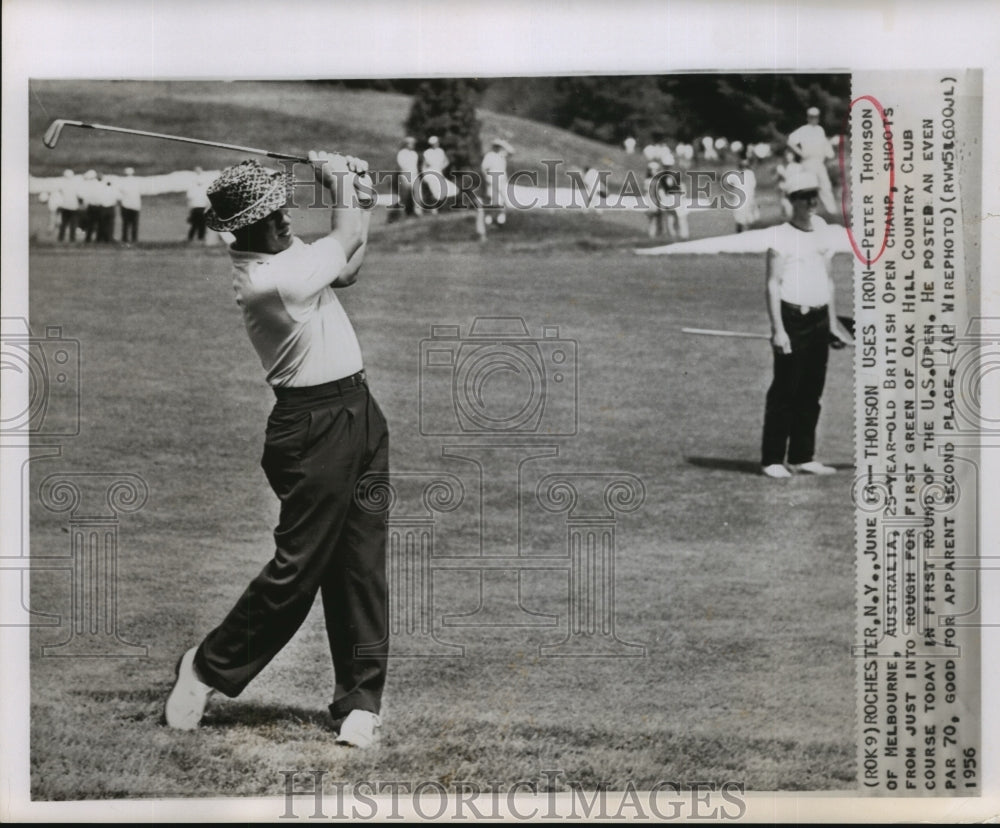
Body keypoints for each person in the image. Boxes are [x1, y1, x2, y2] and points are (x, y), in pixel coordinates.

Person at [164, 152, 390, 750]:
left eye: (283, 208)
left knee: (361, 566)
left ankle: (360, 701)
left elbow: (348, 266)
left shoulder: (279, 255)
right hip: (312, 427)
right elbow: (343, 238)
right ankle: (206, 667)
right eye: (271, 214)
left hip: (359, 414)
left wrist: (355, 191)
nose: (285, 219)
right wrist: (338, 180)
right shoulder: (271, 279)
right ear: (244, 227)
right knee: (298, 574)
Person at [761, 171, 853, 479]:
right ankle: (773, 459)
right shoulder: (780, 236)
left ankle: (802, 456)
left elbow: (827, 280)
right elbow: (773, 284)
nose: (812, 202)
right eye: (805, 197)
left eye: (814, 195)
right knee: (786, 389)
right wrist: (778, 330)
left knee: (812, 391)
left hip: (818, 317)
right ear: (792, 202)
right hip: (792, 317)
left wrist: (832, 324)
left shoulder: (824, 230)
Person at [786, 106, 836, 214]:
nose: (814, 119)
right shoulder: (803, 130)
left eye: (816, 117)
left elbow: (825, 146)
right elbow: (790, 141)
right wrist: (800, 153)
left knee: (825, 185)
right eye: (812, 117)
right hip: (808, 162)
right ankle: (811, 212)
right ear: (808, 118)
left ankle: (832, 211)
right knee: (810, 186)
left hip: (819, 162)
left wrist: (829, 154)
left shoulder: (820, 130)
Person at [481, 138, 513, 225]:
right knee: (491, 199)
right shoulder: (489, 155)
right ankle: (489, 218)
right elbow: (484, 168)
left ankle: (501, 218)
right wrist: (486, 178)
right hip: (492, 178)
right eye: (496, 146)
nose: (497, 147)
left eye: (499, 146)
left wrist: (505, 144)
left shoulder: (502, 155)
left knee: (502, 199)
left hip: (502, 179)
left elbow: (512, 152)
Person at [390, 136, 422, 220]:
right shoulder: (402, 153)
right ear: (406, 144)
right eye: (411, 143)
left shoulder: (414, 154)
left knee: (417, 193)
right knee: (405, 195)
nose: (412, 145)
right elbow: (402, 166)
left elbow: (415, 166)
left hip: (414, 175)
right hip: (405, 175)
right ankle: (403, 213)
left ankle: (418, 212)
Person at [421, 136, 449, 211]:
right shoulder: (427, 152)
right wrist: (424, 174)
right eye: (434, 143)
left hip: (439, 172)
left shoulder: (441, 151)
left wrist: (442, 167)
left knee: (442, 190)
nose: (436, 144)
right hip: (431, 173)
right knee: (433, 191)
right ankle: (434, 209)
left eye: (437, 143)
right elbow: (424, 165)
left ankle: (442, 208)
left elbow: (446, 162)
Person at [732, 158, 759, 233]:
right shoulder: (737, 174)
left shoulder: (750, 173)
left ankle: (745, 234)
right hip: (740, 199)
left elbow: (753, 187)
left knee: (747, 219)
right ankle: (741, 233)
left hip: (748, 198)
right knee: (740, 219)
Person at [118, 166, 142, 243]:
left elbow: (119, 193)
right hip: (135, 206)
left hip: (125, 205)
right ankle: (134, 239)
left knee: (125, 224)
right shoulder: (137, 181)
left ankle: (124, 238)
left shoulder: (122, 181)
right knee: (134, 224)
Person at [186, 166, 210, 241]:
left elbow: (207, 199)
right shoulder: (192, 185)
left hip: (201, 207)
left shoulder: (203, 186)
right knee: (195, 224)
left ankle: (199, 237)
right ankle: (193, 238)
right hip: (196, 207)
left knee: (200, 224)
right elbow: (189, 199)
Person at [57, 169, 82, 242]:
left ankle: (60, 238)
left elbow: (59, 196)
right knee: (73, 224)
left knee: (63, 224)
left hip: (64, 207)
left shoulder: (61, 184)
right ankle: (72, 238)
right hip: (74, 207)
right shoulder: (75, 184)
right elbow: (79, 195)